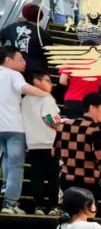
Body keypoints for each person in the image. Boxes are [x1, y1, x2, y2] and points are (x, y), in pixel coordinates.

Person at [1, 46, 50, 215]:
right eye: (20, 59)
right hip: (14, 128)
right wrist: (46, 95)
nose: (24, 62)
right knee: (16, 166)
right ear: (8, 60)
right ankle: (10, 204)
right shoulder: (13, 74)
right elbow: (24, 88)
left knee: (7, 161)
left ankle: (6, 191)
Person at [54, 93, 101, 204]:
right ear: (92, 108)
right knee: (85, 211)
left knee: (70, 210)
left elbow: (55, 152)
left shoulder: (64, 125)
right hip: (88, 182)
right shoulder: (95, 129)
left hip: (66, 180)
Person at [20, 70, 63, 216]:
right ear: (36, 82)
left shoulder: (25, 100)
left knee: (36, 176)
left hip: (32, 143)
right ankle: (53, 207)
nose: (51, 84)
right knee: (52, 176)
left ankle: (39, 206)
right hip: (49, 143)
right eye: (48, 81)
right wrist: (60, 126)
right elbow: (49, 117)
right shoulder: (46, 98)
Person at [57, 44, 101, 120]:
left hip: (72, 100)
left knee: (74, 125)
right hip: (90, 103)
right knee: (87, 125)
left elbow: (62, 81)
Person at [0, 5, 52, 74]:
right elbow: (49, 55)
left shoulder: (13, 27)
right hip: (34, 70)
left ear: (24, 15)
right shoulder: (44, 35)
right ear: (40, 17)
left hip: (15, 66)